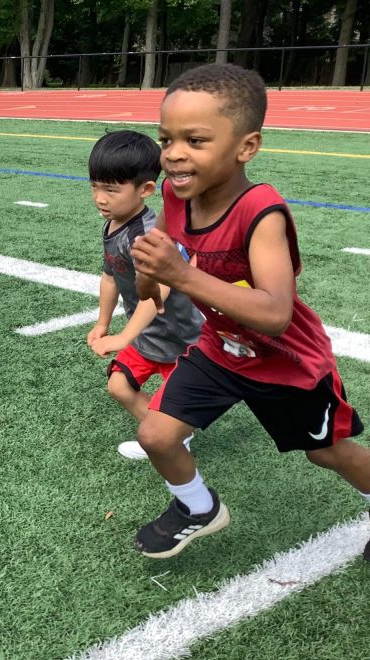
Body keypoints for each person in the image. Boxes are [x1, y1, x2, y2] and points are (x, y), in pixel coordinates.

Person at [129, 63, 370, 558]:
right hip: (222, 351)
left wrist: (182, 275)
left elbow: (276, 311)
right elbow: (154, 287)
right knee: (155, 434)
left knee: (327, 452)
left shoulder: (261, 211)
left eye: (195, 140)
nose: (173, 154)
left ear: (246, 147)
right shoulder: (178, 195)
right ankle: (198, 508)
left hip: (287, 364)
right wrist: (150, 272)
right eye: (166, 138)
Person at [85, 130, 203, 460]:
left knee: (172, 406)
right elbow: (110, 275)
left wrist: (124, 336)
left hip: (181, 340)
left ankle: (169, 434)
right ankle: (170, 436)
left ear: (146, 190)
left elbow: (156, 293)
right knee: (118, 386)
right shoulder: (112, 225)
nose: (100, 198)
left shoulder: (149, 236)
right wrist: (103, 323)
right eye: (95, 186)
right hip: (148, 336)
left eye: (111, 189)